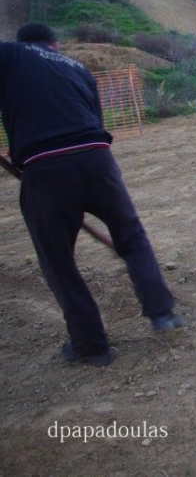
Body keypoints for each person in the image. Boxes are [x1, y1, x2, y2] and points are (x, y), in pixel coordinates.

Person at [0, 24, 183, 367]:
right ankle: (162, 312)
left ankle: (91, 346)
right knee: (132, 237)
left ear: (22, 42)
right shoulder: (77, 68)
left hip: (45, 167)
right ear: (54, 44)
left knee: (58, 262)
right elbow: (94, 120)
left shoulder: (9, 54)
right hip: (97, 159)